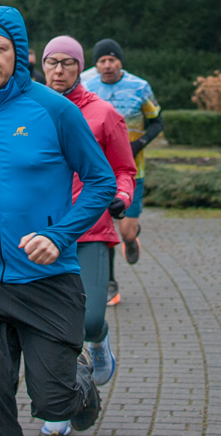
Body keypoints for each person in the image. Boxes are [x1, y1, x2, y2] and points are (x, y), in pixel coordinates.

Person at [0, 6, 114, 436]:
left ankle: (80, 384)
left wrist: (58, 234)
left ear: (20, 53)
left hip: (47, 279)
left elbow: (101, 181)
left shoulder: (55, 110)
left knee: (54, 402)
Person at [41, 35, 135, 395]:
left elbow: (124, 169)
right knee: (51, 324)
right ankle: (65, 401)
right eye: (52, 62)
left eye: (67, 63)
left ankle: (99, 340)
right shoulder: (31, 109)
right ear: (43, 66)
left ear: (81, 67)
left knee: (91, 319)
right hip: (42, 231)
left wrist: (121, 196)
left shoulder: (104, 113)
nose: (59, 70)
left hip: (90, 229)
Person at [82, 39, 163, 304]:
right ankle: (109, 284)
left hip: (131, 172)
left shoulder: (139, 87)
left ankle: (131, 239)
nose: (107, 65)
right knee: (102, 230)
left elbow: (157, 121)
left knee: (126, 231)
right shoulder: (84, 84)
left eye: (112, 60)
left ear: (120, 62)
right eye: (102, 61)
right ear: (96, 64)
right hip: (97, 173)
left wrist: (139, 144)